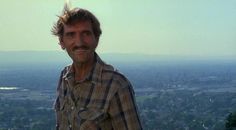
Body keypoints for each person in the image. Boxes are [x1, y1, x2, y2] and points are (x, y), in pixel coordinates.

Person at [51, 6, 142, 130]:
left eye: (86, 33)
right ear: (62, 42)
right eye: (71, 35)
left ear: (96, 39)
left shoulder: (116, 85)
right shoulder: (65, 77)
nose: (79, 42)